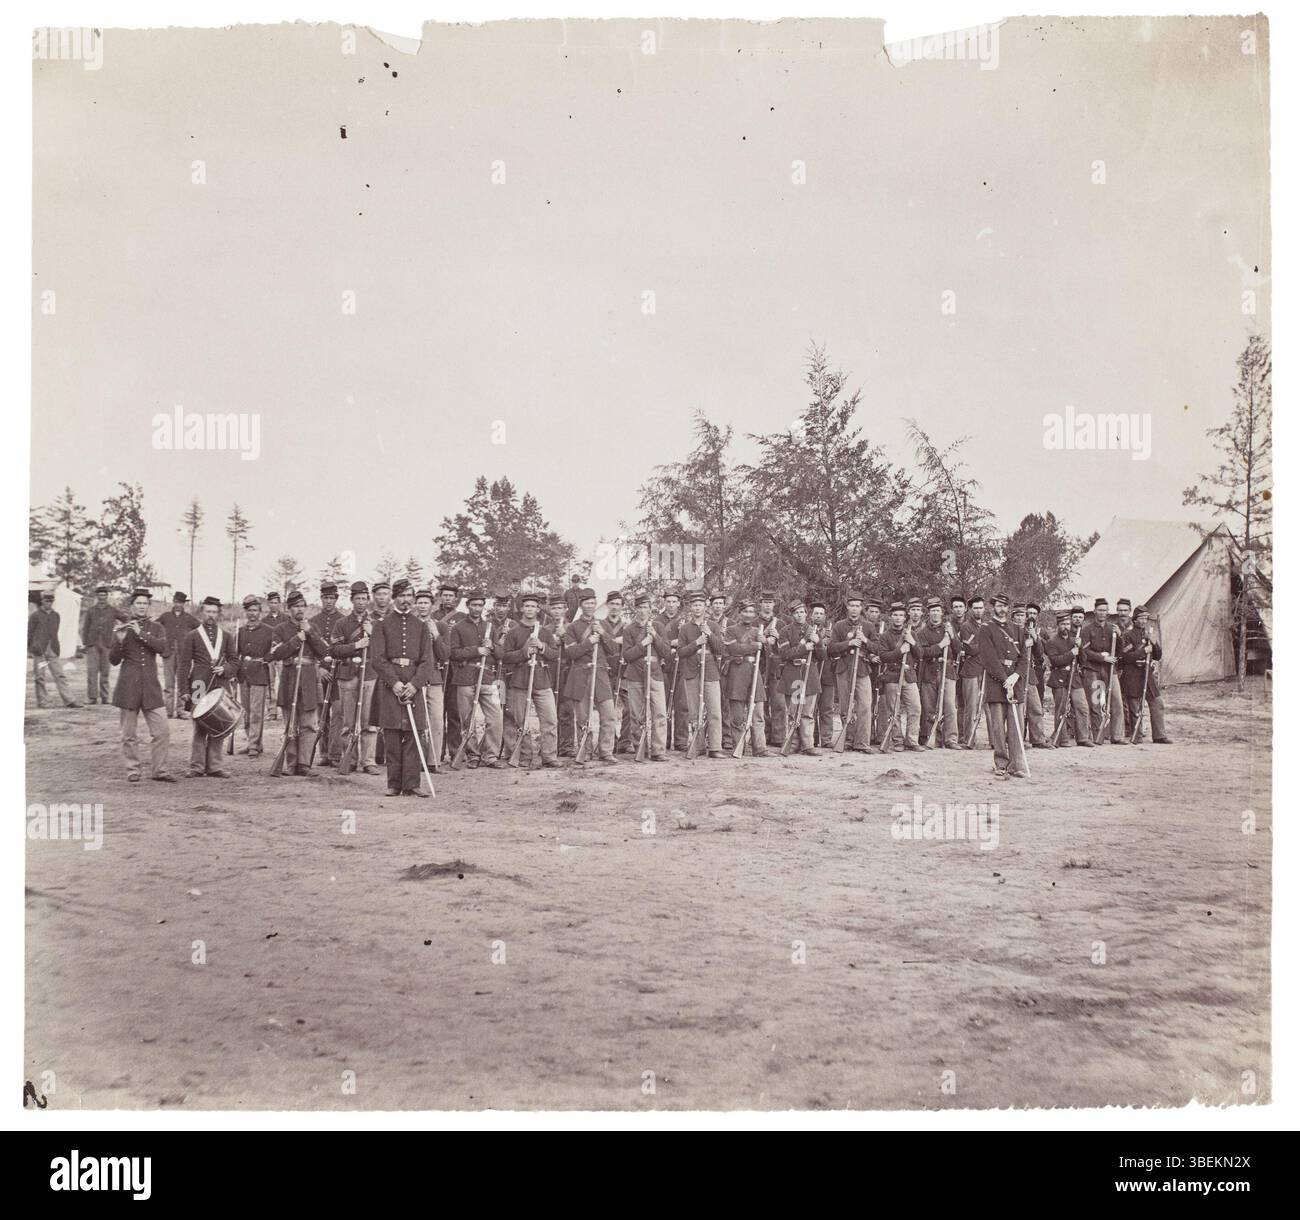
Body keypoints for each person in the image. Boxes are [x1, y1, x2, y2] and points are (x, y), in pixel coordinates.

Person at [369, 578, 436, 795]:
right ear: (394, 598)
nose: (406, 600)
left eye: (409, 596)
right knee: (392, 734)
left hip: (413, 684)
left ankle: (412, 784)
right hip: (391, 685)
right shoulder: (382, 625)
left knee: (414, 733)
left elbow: (428, 660)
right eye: (402, 596)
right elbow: (377, 659)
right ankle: (393, 784)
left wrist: (415, 685)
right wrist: (395, 683)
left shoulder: (422, 626)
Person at [109, 589, 174, 782]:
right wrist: (119, 642)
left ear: (148, 606)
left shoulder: (156, 628)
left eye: (145, 603)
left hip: (151, 686)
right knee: (129, 734)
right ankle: (133, 770)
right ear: (132, 606)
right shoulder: (122, 628)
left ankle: (159, 770)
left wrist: (140, 633)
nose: (142, 606)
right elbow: (113, 660)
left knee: (162, 731)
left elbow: (163, 649)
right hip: (128, 687)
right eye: (138, 603)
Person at [267, 591, 331, 775]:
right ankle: (291, 763)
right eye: (295, 606)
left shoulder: (313, 628)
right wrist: (297, 639)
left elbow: (324, 652)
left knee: (309, 724)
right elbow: (276, 654)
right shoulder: (280, 629)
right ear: (289, 609)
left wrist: (309, 633)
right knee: (290, 723)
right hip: (289, 677)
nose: (299, 609)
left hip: (309, 678)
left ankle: (305, 764)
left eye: (302, 606)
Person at [176, 596, 238, 778]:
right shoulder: (192, 636)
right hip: (198, 684)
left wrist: (225, 668)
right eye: (207, 611)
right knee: (199, 725)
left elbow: (235, 662)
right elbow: (184, 665)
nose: (211, 615)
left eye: (214, 612)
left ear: (219, 613)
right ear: (202, 612)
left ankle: (215, 766)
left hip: (220, 684)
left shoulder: (226, 636)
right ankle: (197, 766)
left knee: (218, 723)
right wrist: (184, 691)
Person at [502, 591, 562, 767]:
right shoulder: (514, 632)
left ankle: (549, 756)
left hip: (542, 681)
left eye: (533, 606)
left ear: (538, 609)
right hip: (520, 681)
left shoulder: (544, 632)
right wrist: (525, 652)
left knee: (550, 719)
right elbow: (505, 657)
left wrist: (542, 647)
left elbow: (555, 654)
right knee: (520, 721)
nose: (530, 609)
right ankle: (524, 756)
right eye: (527, 606)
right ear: (522, 608)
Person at [448, 591, 506, 767]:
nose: (477, 608)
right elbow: (453, 653)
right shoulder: (458, 627)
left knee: (496, 717)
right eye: (473, 605)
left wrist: (493, 647)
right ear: (468, 606)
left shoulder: (490, 627)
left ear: (483, 607)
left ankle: (491, 756)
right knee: (467, 719)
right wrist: (476, 651)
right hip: (465, 676)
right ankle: (473, 754)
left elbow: (501, 655)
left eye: (480, 605)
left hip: (487, 677)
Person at [977, 592, 1030, 779]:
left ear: (1008, 608)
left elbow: (1025, 658)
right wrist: (1003, 678)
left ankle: (1017, 765)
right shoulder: (986, 629)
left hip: (1015, 681)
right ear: (993, 607)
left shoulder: (1018, 630)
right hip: (996, 682)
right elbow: (988, 658)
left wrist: (1015, 676)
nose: (1002, 609)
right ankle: (1001, 764)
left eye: (1004, 606)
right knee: (998, 728)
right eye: (998, 605)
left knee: (1016, 727)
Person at [562, 588, 619, 763]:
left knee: (609, 715)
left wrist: (602, 634)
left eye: (593, 603)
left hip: (600, 674)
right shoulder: (572, 627)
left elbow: (614, 650)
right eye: (587, 603)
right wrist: (589, 642)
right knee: (583, 718)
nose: (590, 606)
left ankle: (606, 751)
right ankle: (585, 751)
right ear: (581, 605)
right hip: (580, 675)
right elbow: (571, 653)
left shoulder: (604, 624)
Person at [330, 581, 380, 775]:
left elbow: (382, 651)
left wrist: (372, 634)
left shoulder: (376, 624)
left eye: (364, 598)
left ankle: (368, 761)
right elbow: (334, 650)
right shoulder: (341, 623)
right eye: (357, 598)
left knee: (369, 722)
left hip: (369, 675)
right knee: (348, 722)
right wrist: (357, 645)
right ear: (352, 600)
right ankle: (349, 759)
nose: (361, 602)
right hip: (347, 675)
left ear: (368, 600)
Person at [677, 590, 725, 759]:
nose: (697, 608)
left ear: (705, 607)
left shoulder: (713, 626)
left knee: (714, 711)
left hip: (711, 672)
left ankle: (715, 747)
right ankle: (698, 746)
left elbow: (720, 649)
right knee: (694, 712)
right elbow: (680, 652)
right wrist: (696, 643)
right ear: (691, 607)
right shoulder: (685, 628)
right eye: (694, 605)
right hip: (692, 672)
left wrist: (710, 635)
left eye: (700, 605)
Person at [622, 593, 670, 761]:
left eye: (646, 608)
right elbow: (627, 655)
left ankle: (658, 750)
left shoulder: (659, 626)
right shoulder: (629, 629)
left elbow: (666, 652)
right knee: (637, 715)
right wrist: (643, 643)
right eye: (640, 607)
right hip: (635, 674)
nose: (643, 611)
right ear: (635, 609)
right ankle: (639, 747)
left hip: (655, 673)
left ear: (651, 609)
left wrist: (655, 637)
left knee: (660, 713)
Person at [828, 591, 875, 752]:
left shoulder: (868, 626)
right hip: (844, 668)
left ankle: (862, 742)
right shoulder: (839, 625)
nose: (854, 609)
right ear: (847, 607)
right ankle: (848, 738)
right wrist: (849, 643)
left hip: (862, 669)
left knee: (865, 706)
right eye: (852, 605)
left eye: (858, 606)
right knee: (845, 707)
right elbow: (831, 649)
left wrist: (865, 640)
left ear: (862, 608)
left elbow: (877, 648)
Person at [1120, 606, 1172, 744]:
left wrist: (1153, 642)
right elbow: (1126, 657)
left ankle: (1159, 735)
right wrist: (1144, 651)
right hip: (1133, 675)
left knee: (1157, 703)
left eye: (1145, 618)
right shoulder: (1128, 635)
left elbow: (1158, 656)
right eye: (1141, 618)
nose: (1143, 621)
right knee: (1135, 707)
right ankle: (1136, 736)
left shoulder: (1149, 634)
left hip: (1147, 674)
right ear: (1135, 620)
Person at [724, 599, 769, 756]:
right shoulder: (731, 630)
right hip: (737, 674)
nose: (748, 615)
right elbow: (732, 648)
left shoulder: (758, 631)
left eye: (751, 612)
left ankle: (760, 748)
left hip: (755, 673)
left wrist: (765, 643)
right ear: (740, 613)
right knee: (737, 716)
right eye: (745, 612)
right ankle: (739, 747)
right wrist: (754, 646)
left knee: (758, 713)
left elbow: (768, 655)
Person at [779, 599, 825, 755]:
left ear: (806, 613)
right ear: (792, 615)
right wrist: (804, 647)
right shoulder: (785, 631)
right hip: (793, 673)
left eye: (802, 612)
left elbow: (823, 656)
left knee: (807, 712)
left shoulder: (813, 630)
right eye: (796, 613)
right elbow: (785, 654)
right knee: (793, 712)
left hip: (809, 673)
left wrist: (818, 643)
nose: (799, 615)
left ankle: (808, 745)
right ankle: (792, 743)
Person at [1044, 607, 1093, 747]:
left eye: (1067, 624)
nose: (1065, 627)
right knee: (1061, 709)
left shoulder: (1074, 640)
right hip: (1059, 678)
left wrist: (1080, 647)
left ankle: (1083, 738)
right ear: (1058, 625)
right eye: (1062, 624)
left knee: (1082, 707)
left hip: (1075, 678)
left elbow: (1083, 661)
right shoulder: (1052, 642)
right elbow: (1055, 661)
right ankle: (1062, 738)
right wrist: (1072, 653)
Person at [1081, 597, 1127, 745]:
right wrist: (1102, 658)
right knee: (1095, 704)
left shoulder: (1112, 629)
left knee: (1117, 702)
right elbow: (1085, 652)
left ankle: (1117, 736)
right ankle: (1098, 737)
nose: (1102, 613)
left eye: (1105, 611)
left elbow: (1120, 652)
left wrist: (1120, 637)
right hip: (1093, 670)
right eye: (1100, 610)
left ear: (1108, 612)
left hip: (1110, 670)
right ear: (1094, 611)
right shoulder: (1086, 630)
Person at [878, 602, 922, 751]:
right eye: (895, 615)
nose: (898, 618)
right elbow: (883, 656)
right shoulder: (884, 636)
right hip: (892, 676)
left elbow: (920, 655)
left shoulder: (911, 633)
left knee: (915, 708)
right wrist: (900, 651)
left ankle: (912, 740)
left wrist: (912, 642)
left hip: (909, 676)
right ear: (891, 617)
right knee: (893, 711)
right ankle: (897, 741)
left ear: (905, 618)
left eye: (901, 615)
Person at [916, 597, 959, 748]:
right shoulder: (922, 633)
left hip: (947, 671)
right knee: (928, 708)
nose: (935, 613)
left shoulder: (949, 630)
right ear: (928, 613)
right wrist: (941, 645)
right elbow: (922, 653)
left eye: (938, 611)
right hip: (929, 671)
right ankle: (930, 737)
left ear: (942, 613)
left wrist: (952, 637)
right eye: (932, 610)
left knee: (949, 707)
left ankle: (950, 739)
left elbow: (958, 650)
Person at [414, 590, 451, 766]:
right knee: (417, 721)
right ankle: (417, 759)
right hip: (414, 679)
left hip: (434, 679)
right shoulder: (410, 625)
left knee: (436, 720)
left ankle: (433, 761)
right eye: (419, 602)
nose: (422, 606)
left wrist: (436, 635)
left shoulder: (441, 626)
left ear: (432, 605)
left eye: (426, 603)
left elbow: (444, 655)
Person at [236, 595, 274, 757]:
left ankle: (253, 744)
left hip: (259, 674)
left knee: (257, 711)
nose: (252, 614)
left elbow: (273, 651)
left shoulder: (268, 631)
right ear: (245, 612)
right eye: (249, 610)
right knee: (246, 710)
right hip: (243, 675)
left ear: (260, 612)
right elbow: (235, 653)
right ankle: (253, 742)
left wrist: (265, 660)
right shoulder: (240, 631)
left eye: (255, 610)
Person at [312, 582, 345, 764]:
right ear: (321, 598)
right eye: (326, 598)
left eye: (332, 598)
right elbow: (310, 649)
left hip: (338, 674)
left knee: (338, 714)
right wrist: (319, 667)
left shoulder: (343, 620)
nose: (329, 601)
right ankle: (323, 753)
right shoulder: (313, 622)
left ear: (336, 599)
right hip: (320, 675)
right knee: (321, 714)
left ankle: (335, 754)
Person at [28, 592, 80, 707]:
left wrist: (56, 647)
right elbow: (29, 633)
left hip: (52, 650)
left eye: (51, 601)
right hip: (40, 651)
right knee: (40, 677)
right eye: (46, 601)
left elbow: (54, 632)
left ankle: (69, 700)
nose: (49, 603)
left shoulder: (56, 615)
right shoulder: (35, 616)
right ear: (42, 601)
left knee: (60, 674)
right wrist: (30, 648)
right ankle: (42, 701)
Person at [81, 585, 126, 704]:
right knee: (92, 671)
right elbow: (85, 628)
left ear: (107, 596)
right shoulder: (91, 610)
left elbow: (125, 618)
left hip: (107, 644)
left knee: (105, 671)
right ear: (97, 596)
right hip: (93, 644)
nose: (102, 598)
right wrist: (86, 642)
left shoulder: (113, 610)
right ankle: (92, 697)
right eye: (100, 595)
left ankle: (105, 697)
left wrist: (118, 631)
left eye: (104, 595)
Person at [546, 593, 575, 756]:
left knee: (567, 710)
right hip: (550, 671)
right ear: (550, 610)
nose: (557, 611)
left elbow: (576, 649)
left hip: (567, 671)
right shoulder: (545, 629)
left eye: (560, 608)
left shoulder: (571, 627)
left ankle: (567, 746)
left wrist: (564, 636)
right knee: (551, 710)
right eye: (554, 608)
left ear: (565, 610)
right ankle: (552, 745)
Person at [160, 592, 198, 717]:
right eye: (176, 602)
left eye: (181, 602)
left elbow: (201, 629)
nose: (178, 605)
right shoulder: (165, 617)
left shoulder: (189, 618)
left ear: (184, 604)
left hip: (183, 656)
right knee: (169, 684)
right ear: (173, 602)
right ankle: (168, 711)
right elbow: (154, 627)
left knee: (182, 682)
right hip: (168, 654)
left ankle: (181, 711)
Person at [757, 592, 787, 747]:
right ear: (760, 604)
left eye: (770, 602)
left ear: (774, 604)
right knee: (762, 703)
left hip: (776, 668)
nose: (767, 605)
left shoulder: (780, 624)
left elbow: (787, 647)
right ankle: (763, 736)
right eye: (765, 602)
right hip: (760, 667)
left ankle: (778, 737)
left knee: (779, 704)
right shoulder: (755, 622)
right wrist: (761, 639)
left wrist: (779, 637)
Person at [956, 594, 984, 748]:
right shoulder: (966, 626)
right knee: (970, 706)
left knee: (984, 705)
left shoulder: (986, 625)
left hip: (984, 669)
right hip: (970, 669)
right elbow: (969, 649)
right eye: (975, 608)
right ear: (971, 610)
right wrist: (987, 646)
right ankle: (968, 738)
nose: (978, 611)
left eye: (980, 608)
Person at [262, 592, 287, 718]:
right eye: (271, 602)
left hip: (283, 655)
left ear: (280, 603)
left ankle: (286, 710)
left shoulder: (286, 619)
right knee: (269, 682)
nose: (273, 605)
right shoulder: (264, 620)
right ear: (268, 604)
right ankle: (272, 711)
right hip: (270, 656)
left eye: (276, 602)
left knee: (285, 681)